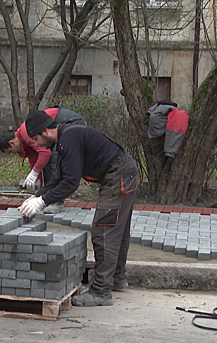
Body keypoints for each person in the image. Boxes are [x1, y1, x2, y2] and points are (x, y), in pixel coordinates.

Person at [18, 109, 140, 307]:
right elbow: (60, 178)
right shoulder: (65, 138)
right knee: (118, 230)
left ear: (46, 131)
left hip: (118, 176)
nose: (37, 144)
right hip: (123, 173)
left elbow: (71, 183)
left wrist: (42, 202)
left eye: (36, 139)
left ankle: (101, 292)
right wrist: (37, 195)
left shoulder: (69, 139)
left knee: (104, 231)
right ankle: (117, 278)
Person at [0, 106, 86, 213]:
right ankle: (50, 199)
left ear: (11, 143)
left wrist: (34, 175)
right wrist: (37, 193)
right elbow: (36, 164)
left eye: (11, 151)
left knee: (55, 160)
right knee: (49, 162)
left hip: (69, 121)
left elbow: (45, 153)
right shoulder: (26, 144)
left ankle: (56, 202)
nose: (14, 153)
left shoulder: (26, 133)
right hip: (59, 126)